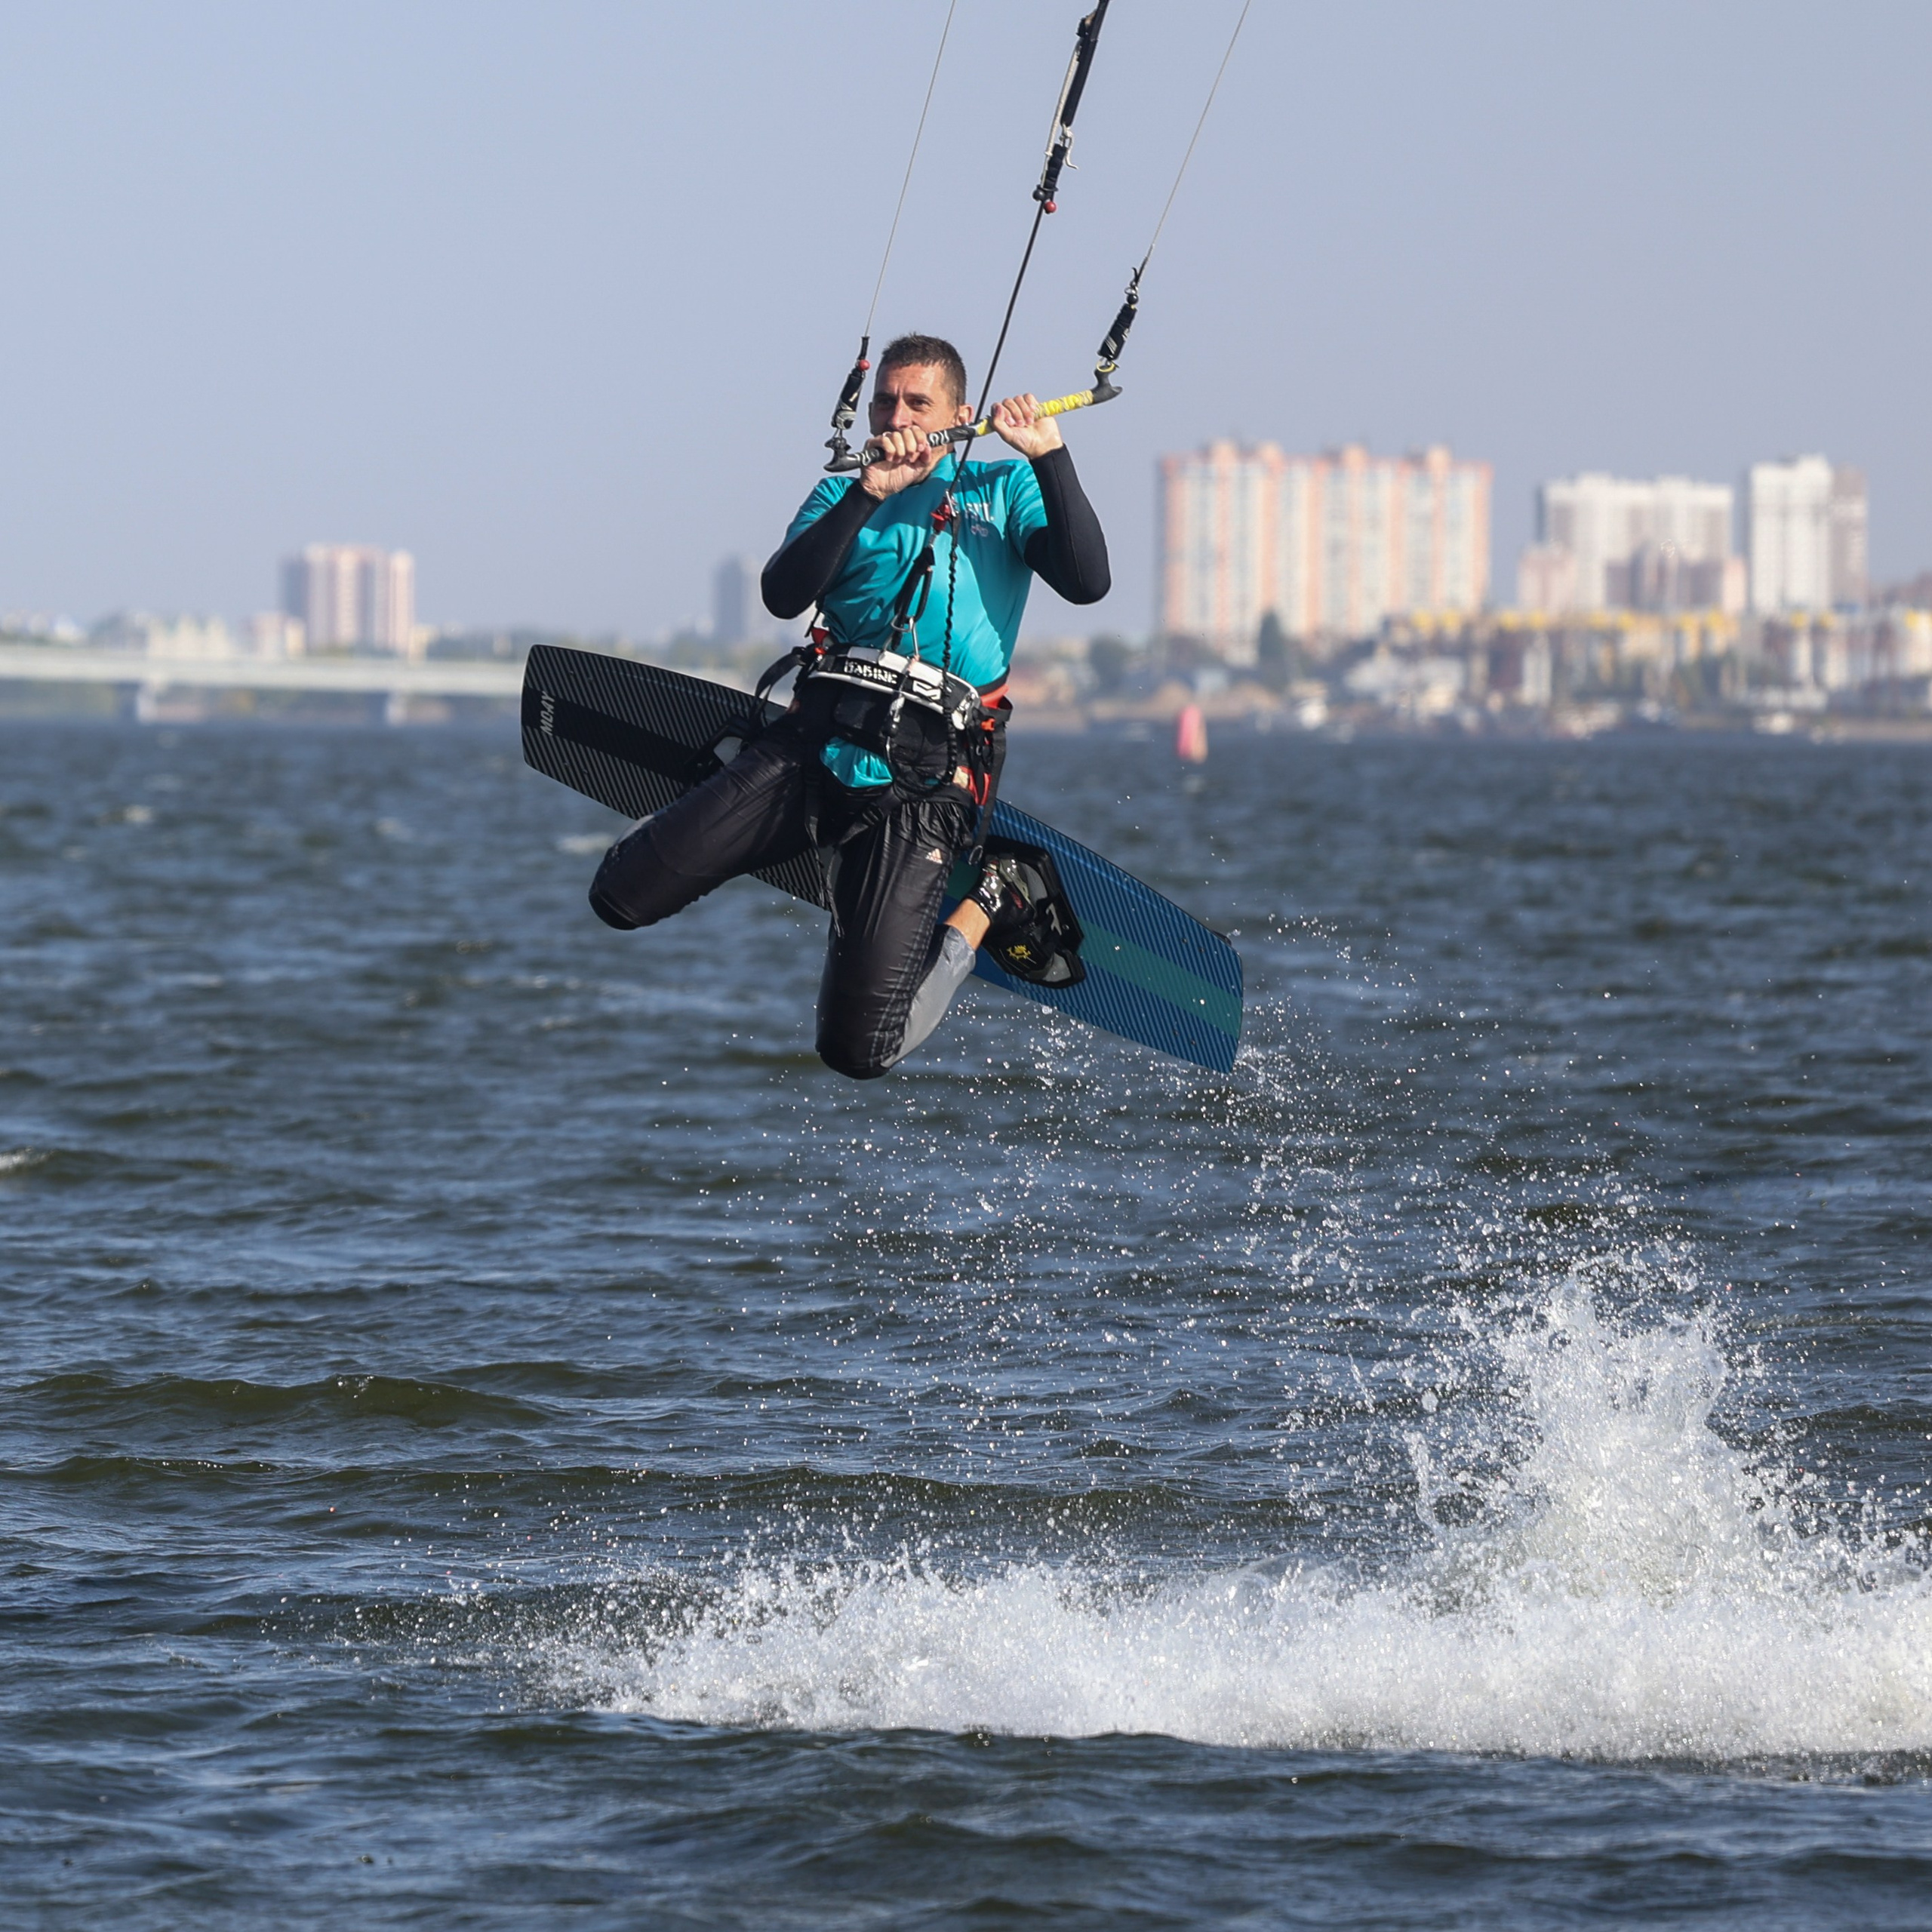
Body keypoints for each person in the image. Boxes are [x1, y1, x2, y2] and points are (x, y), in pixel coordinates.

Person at [587, 333, 1110, 1078]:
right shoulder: (843, 490)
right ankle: (758, 818)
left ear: (959, 413)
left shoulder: (1003, 489)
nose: (896, 416)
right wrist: (870, 493)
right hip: (815, 740)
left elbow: (1088, 581)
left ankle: (995, 895)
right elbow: (781, 594)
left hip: (927, 777)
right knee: (617, 897)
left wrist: (1049, 456)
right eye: (885, 402)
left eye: (916, 402)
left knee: (858, 1051)